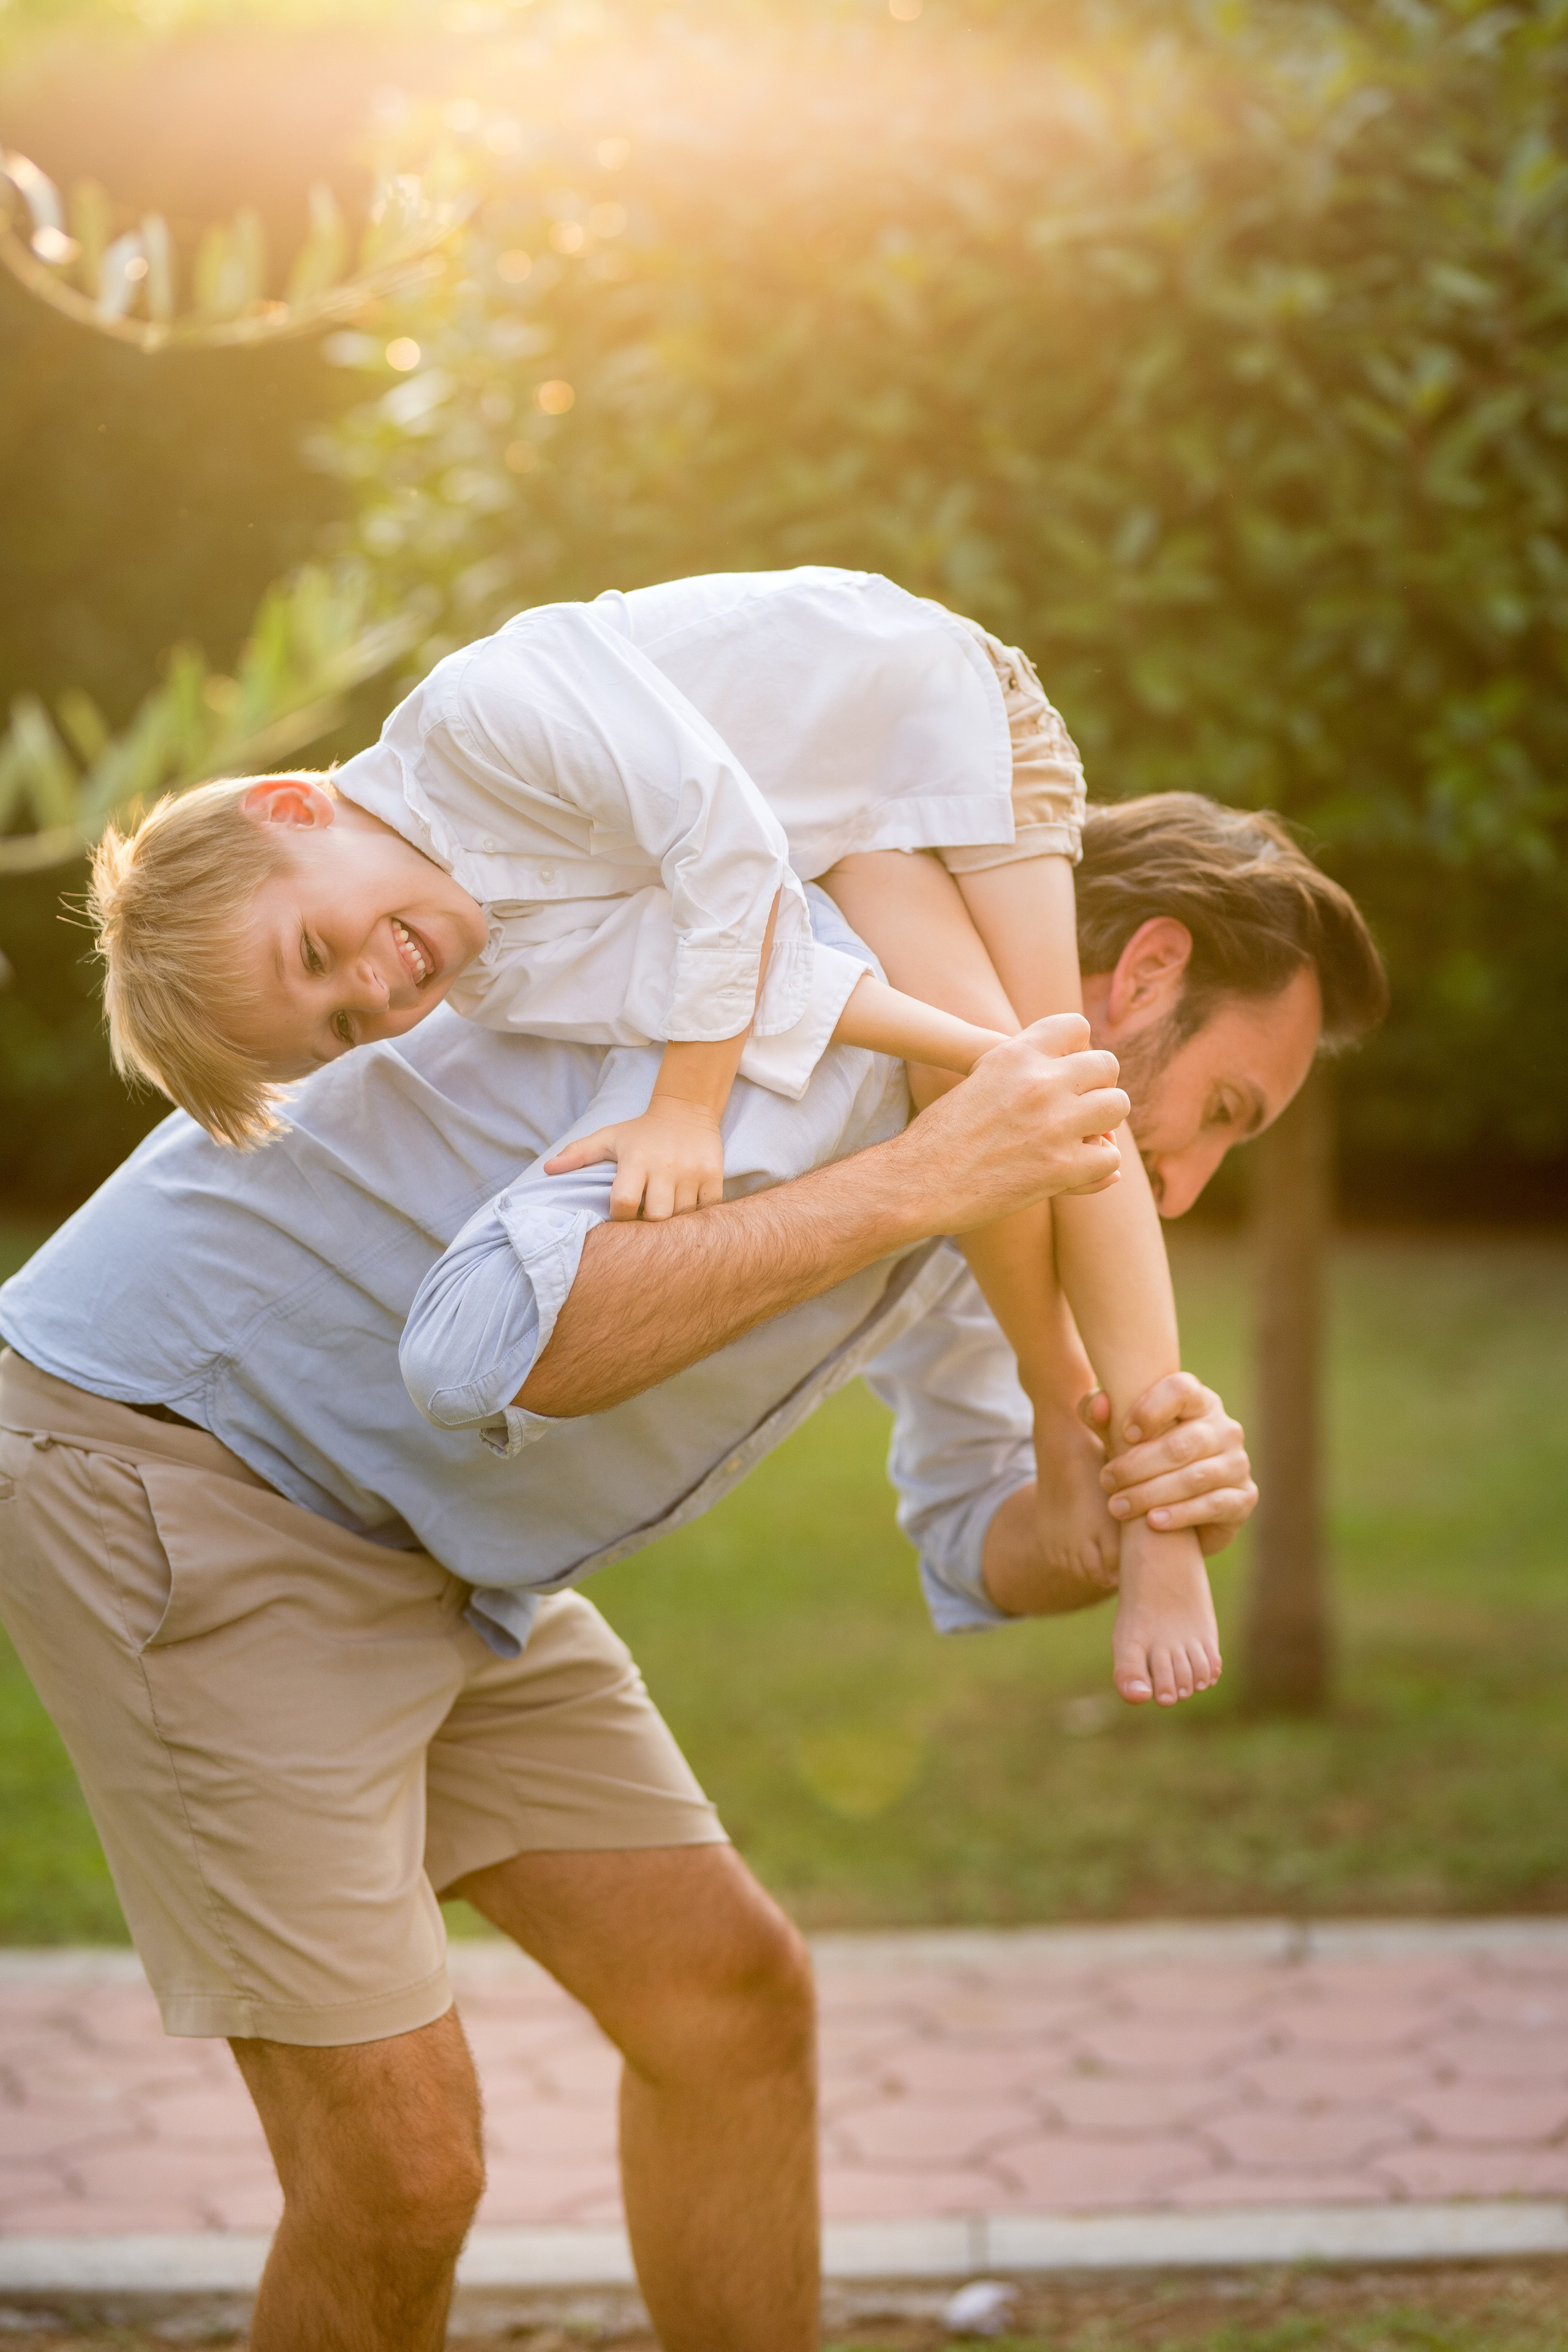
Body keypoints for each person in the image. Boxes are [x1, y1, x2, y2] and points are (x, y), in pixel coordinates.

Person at [0, 791, 1381, 2352]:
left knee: (728, 2001)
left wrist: (1136, 1504)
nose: (1184, 1188)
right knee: (397, 2174)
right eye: (1221, 1111)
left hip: (423, 1549)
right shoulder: (799, 975)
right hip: (175, 1465)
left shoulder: (1005, 1168)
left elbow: (978, 1534)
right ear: (1144, 972)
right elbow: (525, 1346)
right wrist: (927, 1177)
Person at [86, 570, 1286, 1704]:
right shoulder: (496, 968)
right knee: (1039, 1089)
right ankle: (1069, 1409)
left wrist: (686, 1107)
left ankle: (1141, 1498)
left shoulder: (481, 715)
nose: (371, 993)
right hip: (847, 831)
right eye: (343, 1029)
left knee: (1065, 1084)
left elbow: (727, 848)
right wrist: (980, 1065)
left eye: (312, 950)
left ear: (292, 806)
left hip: (933, 722)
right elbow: (760, 973)